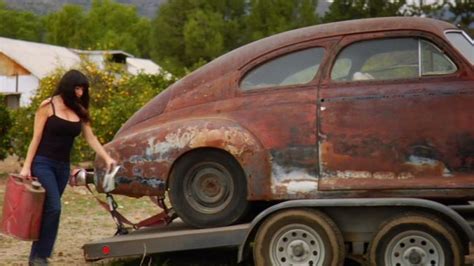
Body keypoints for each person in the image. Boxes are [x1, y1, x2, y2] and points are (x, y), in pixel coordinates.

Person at [20, 69, 116, 265]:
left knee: (48, 210)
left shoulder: (79, 110)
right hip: (43, 163)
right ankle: (41, 257)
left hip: (62, 168)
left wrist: (107, 158)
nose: (80, 93)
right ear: (68, 86)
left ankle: (36, 257)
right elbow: (35, 138)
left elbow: (91, 138)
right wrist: (27, 166)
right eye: (77, 88)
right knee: (54, 208)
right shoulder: (48, 106)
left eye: (83, 89)